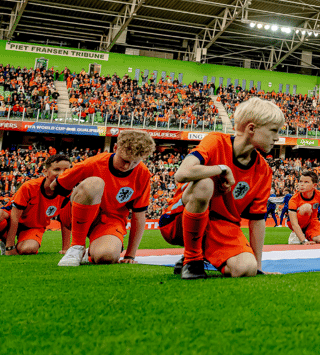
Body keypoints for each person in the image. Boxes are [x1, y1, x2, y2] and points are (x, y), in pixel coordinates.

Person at [160, 96, 283, 279]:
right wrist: (221, 169)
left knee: (245, 269)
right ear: (251, 128)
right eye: (273, 130)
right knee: (204, 183)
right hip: (177, 221)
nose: (277, 137)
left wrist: (258, 266)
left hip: (222, 227)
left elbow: (257, 220)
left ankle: (202, 252)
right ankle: (192, 260)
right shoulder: (216, 141)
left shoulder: (264, 170)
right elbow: (182, 173)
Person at [57, 129, 156, 267]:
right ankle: (76, 247)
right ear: (115, 148)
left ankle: (89, 252)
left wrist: (130, 254)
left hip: (110, 220)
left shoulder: (143, 174)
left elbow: (139, 215)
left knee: (107, 256)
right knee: (94, 183)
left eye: (134, 163)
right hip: (76, 214)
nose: (127, 166)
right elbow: (57, 186)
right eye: (125, 160)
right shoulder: (93, 163)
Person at [2, 154, 72, 256]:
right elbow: (14, 216)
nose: (62, 173)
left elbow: (65, 221)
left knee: (28, 249)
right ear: (45, 172)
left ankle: (18, 242)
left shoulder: (68, 192)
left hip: (33, 227)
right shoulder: (29, 187)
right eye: (56, 169)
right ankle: (4, 242)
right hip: (10, 220)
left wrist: (65, 248)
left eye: (66, 170)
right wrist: (10, 246)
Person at [287, 171, 320, 243]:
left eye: (306, 182)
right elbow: (294, 223)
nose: (302, 185)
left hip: (312, 221)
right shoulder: (293, 199)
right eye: (300, 181)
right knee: (307, 207)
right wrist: (304, 241)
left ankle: (307, 235)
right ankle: (297, 234)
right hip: (297, 223)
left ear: (314, 185)